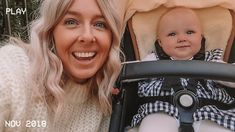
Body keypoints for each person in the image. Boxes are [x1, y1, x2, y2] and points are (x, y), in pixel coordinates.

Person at [0, 0, 122, 131]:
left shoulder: (110, 103)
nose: (87, 36)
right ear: (50, 32)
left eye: (99, 24)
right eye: (71, 22)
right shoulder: (14, 68)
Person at [129, 7, 235, 132]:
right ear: (160, 42)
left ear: (201, 38)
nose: (182, 38)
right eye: (172, 34)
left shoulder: (211, 59)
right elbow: (132, 70)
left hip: (209, 111)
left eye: (189, 32)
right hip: (161, 109)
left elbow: (230, 77)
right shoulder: (153, 60)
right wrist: (116, 74)